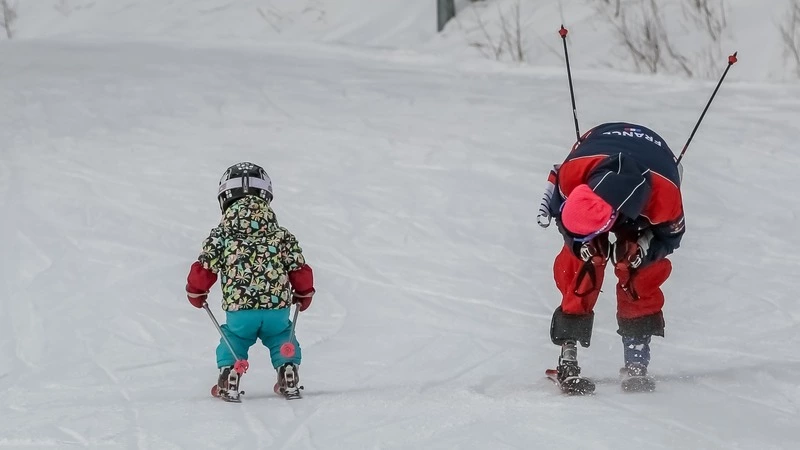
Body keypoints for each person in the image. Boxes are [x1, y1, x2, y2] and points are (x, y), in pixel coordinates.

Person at [541, 122, 685, 390]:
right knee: (584, 264)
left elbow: (671, 237)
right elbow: (564, 217)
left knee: (637, 268)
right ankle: (567, 353)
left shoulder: (665, 200)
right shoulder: (572, 177)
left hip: (650, 184)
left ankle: (637, 358)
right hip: (594, 159)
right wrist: (579, 245)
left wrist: (643, 248)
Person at [185, 162, 315, 401]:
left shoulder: (221, 235)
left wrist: (196, 291)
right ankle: (287, 369)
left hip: (240, 311)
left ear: (225, 197)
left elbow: (205, 268)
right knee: (281, 336)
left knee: (234, 338)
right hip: (276, 308)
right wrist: (304, 292)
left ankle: (228, 374)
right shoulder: (280, 234)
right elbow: (299, 268)